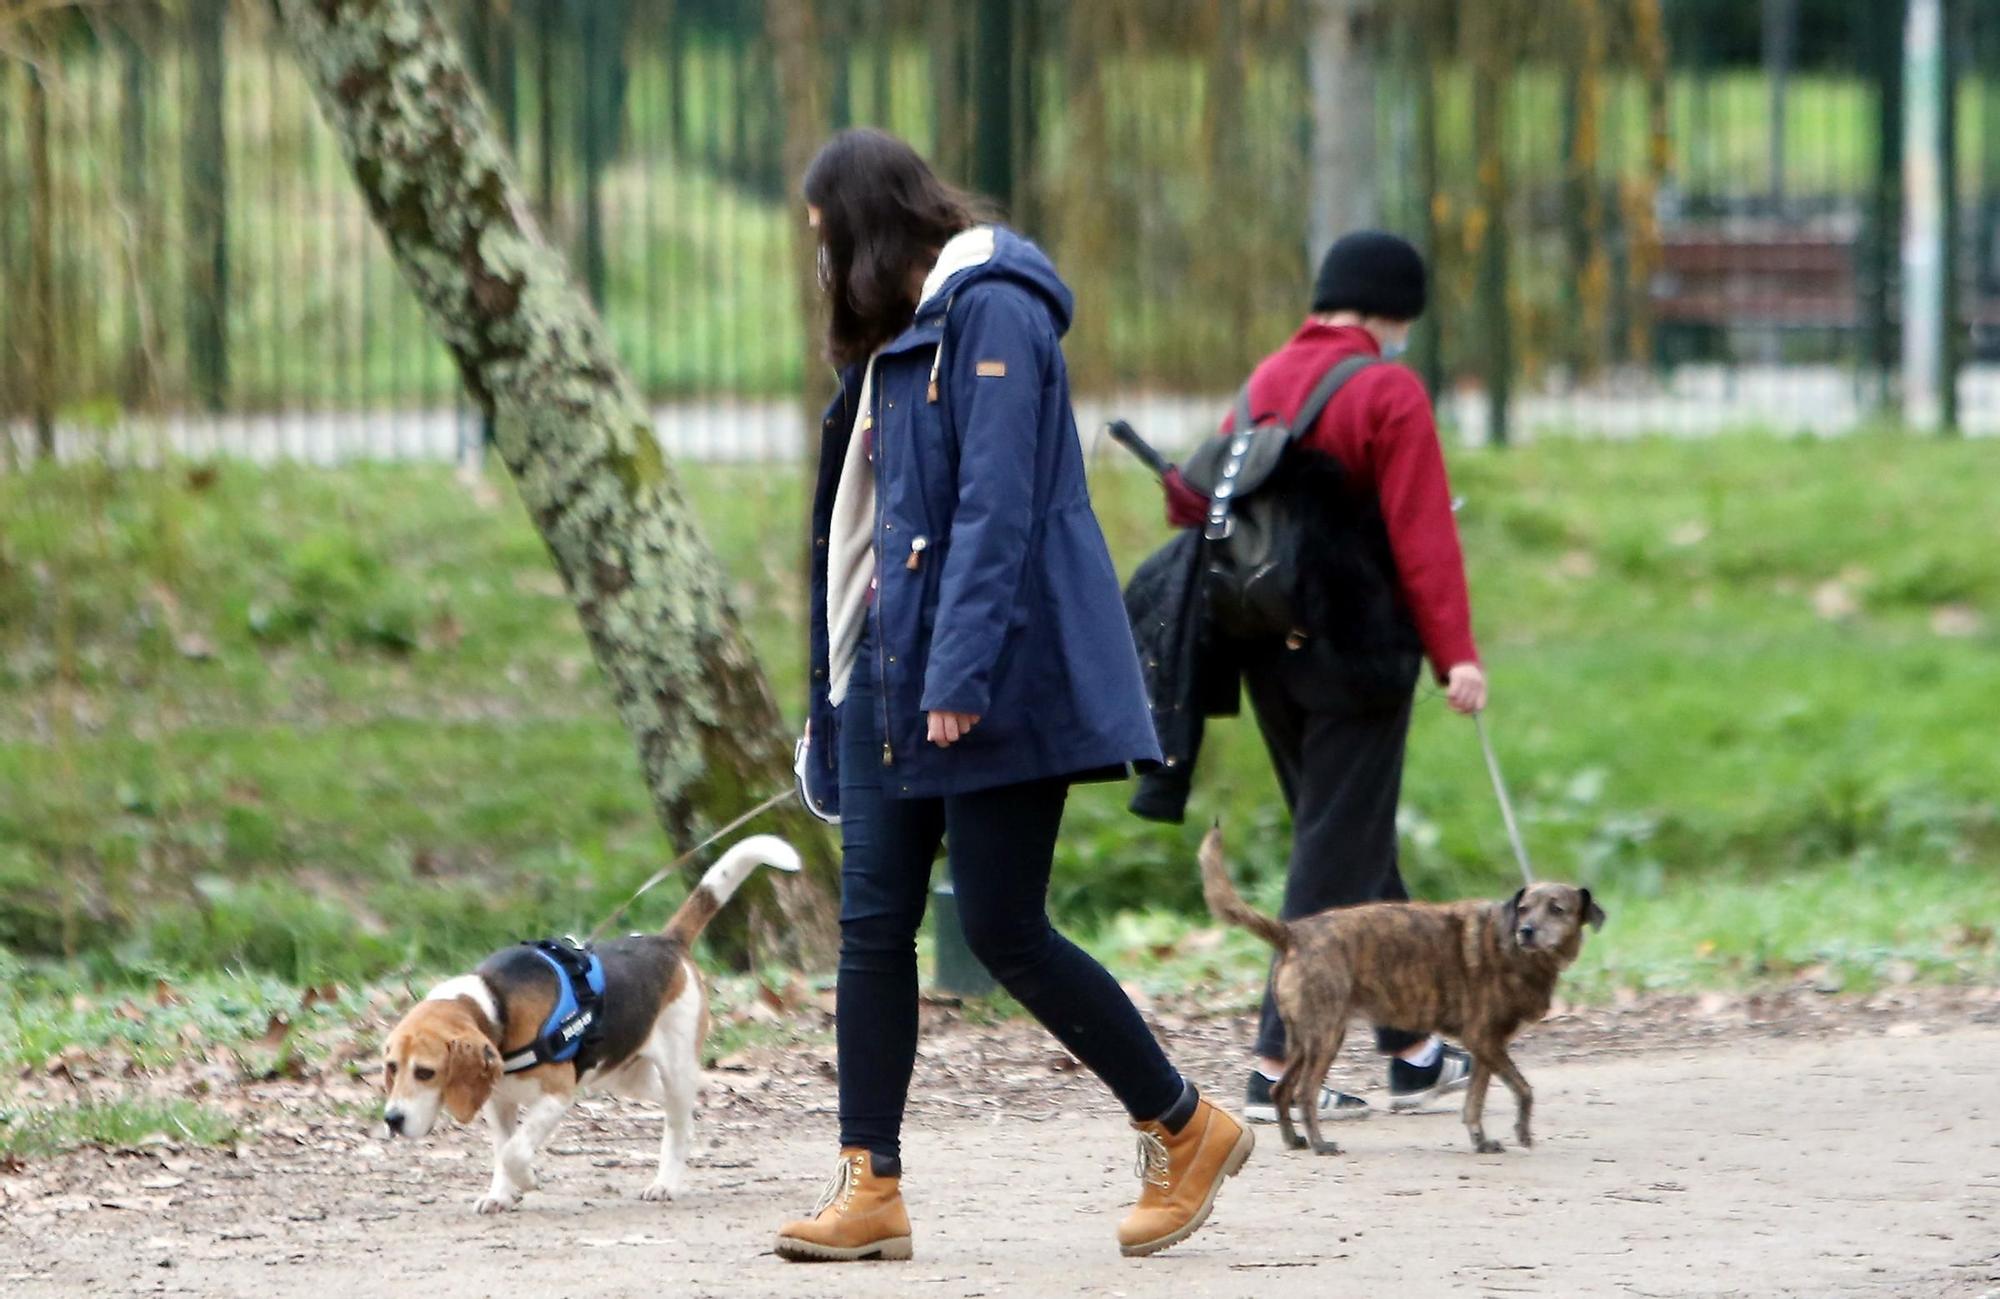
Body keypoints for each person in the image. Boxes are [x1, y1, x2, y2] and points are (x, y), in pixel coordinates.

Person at [779, 128, 1250, 1263]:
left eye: (824, 239)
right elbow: (860, 538)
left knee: (1001, 925)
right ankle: (869, 1188)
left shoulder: (995, 312)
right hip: (888, 682)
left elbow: (994, 509)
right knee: (872, 930)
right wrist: (834, 695)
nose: (821, 264)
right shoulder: (903, 343)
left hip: (992, 682)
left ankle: (1183, 1127)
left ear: (866, 225)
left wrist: (959, 671)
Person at [1160, 231, 1488, 1127]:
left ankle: (1413, 1049)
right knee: (1336, 848)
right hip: (1359, 651)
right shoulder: (1388, 389)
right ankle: (1278, 1060)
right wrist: (1455, 651)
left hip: (1268, 642)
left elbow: (1201, 495)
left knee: (1351, 836)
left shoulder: (1264, 382)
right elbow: (1423, 535)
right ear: (1393, 311)